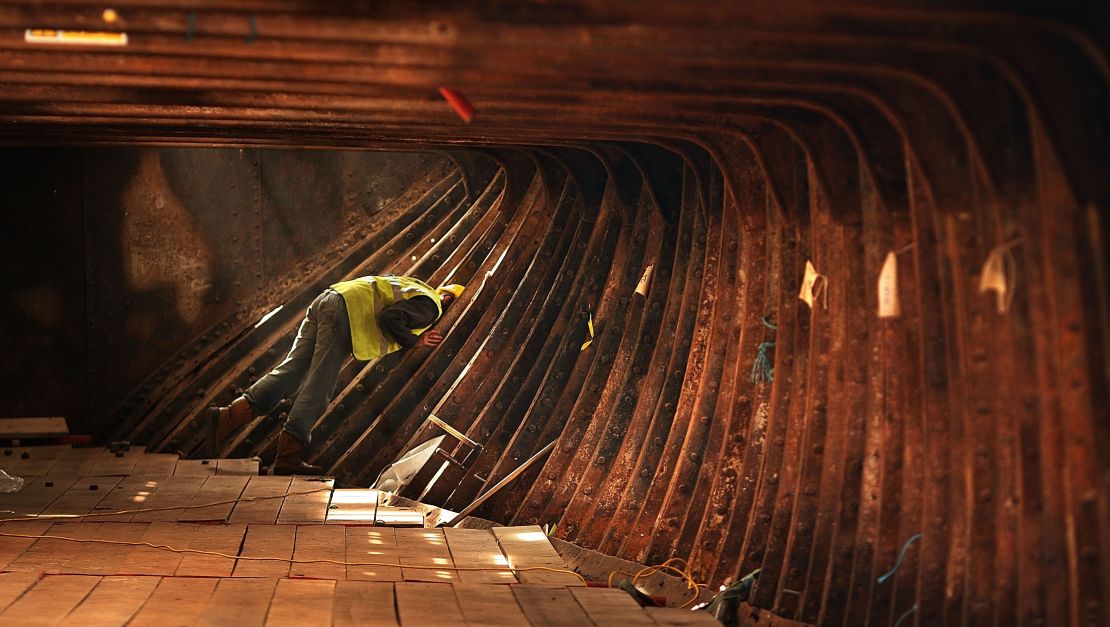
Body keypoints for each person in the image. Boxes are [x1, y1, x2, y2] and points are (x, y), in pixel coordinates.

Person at [207, 275, 465, 475]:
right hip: (345, 312)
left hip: (329, 299)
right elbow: (390, 317)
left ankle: (227, 417)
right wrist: (414, 341)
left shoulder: (417, 288)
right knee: (320, 385)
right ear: (450, 301)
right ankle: (287, 458)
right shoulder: (431, 307)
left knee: (292, 372)